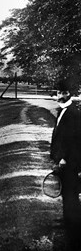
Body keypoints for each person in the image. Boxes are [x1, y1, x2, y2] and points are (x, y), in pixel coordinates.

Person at [50, 87, 81, 244]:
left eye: (62, 93)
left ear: (69, 94)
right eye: (58, 93)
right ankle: (68, 222)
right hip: (62, 160)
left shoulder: (73, 113)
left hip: (70, 162)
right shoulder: (62, 110)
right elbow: (59, 137)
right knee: (65, 192)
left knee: (71, 194)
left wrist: (66, 159)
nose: (59, 95)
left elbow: (75, 141)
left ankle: (74, 231)